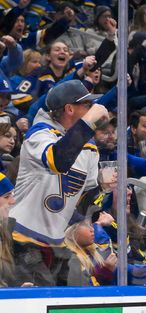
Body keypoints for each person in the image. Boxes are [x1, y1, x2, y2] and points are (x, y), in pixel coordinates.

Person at [11, 80, 108, 286]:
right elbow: (59, 160)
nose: (91, 110)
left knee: (70, 294)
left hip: (57, 243)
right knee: (36, 304)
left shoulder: (89, 147)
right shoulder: (39, 134)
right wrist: (89, 122)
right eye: (86, 106)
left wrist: (103, 188)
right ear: (69, 108)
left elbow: (85, 198)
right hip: (21, 239)